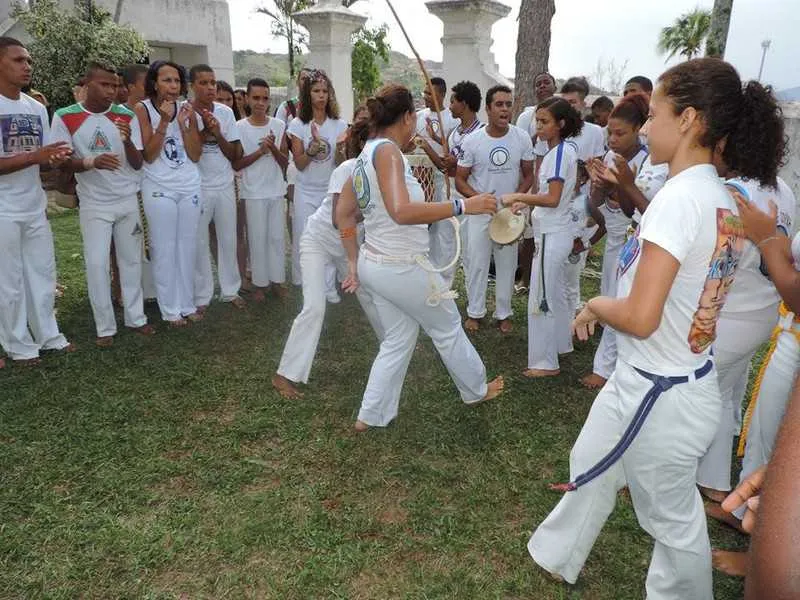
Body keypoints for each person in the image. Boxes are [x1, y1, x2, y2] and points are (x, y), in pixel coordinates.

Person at [528, 57, 781, 599]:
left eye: (656, 112)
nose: (645, 127)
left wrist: (595, 304)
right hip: (666, 380)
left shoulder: (680, 200)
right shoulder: (722, 198)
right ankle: (556, 551)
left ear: (688, 119)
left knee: (671, 518)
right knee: (591, 461)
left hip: (660, 391)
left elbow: (641, 317)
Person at [335, 83, 504, 431]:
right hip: (400, 266)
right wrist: (463, 205)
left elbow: (344, 213)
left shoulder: (365, 153)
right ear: (409, 117)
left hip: (375, 264)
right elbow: (400, 210)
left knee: (398, 338)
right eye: (416, 117)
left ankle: (371, 414)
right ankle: (476, 390)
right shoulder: (387, 153)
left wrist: (354, 261)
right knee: (447, 327)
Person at [709, 173, 798, 578]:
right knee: (762, 429)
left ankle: (765, 556)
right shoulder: (781, 187)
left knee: (780, 445)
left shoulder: (746, 191)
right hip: (780, 326)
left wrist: (766, 240)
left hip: (771, 320)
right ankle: (746, 512)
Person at [272, 108, 383, 399]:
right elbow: (338, 218)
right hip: (318, 241)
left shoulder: (383, 172)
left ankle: (392, 349)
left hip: (348, 245)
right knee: (314, 307)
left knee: (369, 294)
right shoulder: (346, 170)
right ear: (364, 144)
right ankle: (284, 375)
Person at [50, 62, 155, 347]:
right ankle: (105, 328)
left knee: (131, 261)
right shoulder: (66, 116)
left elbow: (137, 162)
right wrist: (91, 161)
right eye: (104, 84)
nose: (112, 91)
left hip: (126, 200)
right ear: (87, 83)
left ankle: (136, 318)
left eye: (115, 85)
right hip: (94, 204)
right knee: (97, 264)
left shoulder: (126, 114)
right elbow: (61, 162)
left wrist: (127, 141)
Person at [0, 37, 74, 365]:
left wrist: (54, 159)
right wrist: (36, 156)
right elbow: (30, 157)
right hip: (3, 209)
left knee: (42, 273)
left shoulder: (36, 108)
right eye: (18, 60)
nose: (27, 66)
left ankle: (48, 335)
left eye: (28, 60)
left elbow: (42, 159)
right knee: (9, 281)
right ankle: (18, 345)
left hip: (33, 204)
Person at [501, 97, 581, 378]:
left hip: (552, 233)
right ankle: (560, 345)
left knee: (543, 296)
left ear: (560, 124)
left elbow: (554, 197)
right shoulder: (558, 152)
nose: (539, 126)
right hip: (554, 231)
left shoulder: (559, 154)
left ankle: (545, 363)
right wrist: (529, 203)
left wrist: (520, 195)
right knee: (555, 294)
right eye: (537, 120)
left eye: (545, 121)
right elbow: (552, 197)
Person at [579, 93, 653, 389]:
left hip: (632, 235)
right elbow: (594, 202)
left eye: (620, 133)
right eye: (609, 132)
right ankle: (609, 362)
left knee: (617, 295)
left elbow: (630, 208)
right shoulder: (610, 156)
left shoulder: (646, 160)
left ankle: (604, 366)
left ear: (638, 130)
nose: (612, 139)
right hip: (614, 237)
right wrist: (596, 182)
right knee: (610, 291)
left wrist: (620, 184)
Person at [456, 85, 534, 334]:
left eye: (508, 104)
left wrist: (516, 199)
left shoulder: (521, 137)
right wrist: (479, 200)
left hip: (508, 214)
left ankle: (504, 313)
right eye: (499, 104)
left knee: (507, 264)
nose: (505, 109)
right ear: (488, 109)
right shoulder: (473, 141)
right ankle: (475, 312)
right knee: (477, 263)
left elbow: (529, 174)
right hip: (480, 213)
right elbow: (460, 179)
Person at [135, 60, 204, 327]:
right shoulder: (142, 109)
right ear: (154, 83)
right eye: (166, 80)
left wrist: (186, 126)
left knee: (187, 248)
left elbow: (196, 155)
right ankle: (170, 308)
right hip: (159, 188)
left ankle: (187, 304)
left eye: (176, 81)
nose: (173, 86)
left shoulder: (188, 110)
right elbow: (149, 156)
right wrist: (164, 122)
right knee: (165, 248)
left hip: (188, 186)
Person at [189, 64, 245, 312]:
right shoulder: (185, 112)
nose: (210, 87)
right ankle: (202, 295)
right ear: (192, 86)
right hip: (197, 186)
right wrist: (203, 132)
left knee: (228, 239)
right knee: (199, 242)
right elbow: (189, 153)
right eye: (204, 83)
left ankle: (230, 290)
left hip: (224, 184)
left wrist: (217, 132)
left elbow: (234, 153)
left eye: (213, 82)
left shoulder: (225, 112)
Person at [287, 69, 347, 295]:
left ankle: (329, 287)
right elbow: (300, 164)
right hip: (305, 190)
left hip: (329, 191)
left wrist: (341, 148)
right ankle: (307, 284)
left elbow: (341, 163)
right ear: (307, 94)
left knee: (329, 236)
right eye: (316, 91)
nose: (321, 95)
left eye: (325, 91)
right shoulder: (297, 125)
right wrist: (311, 150)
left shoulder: (339, 125)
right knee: (305, 237)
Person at [232, 78, 289, 301]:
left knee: (276, 238)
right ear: (246, 98)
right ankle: (259, 283)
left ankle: (277, 280)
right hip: (252, 192)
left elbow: (285, 162)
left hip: (275, 190)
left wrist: (273, 147)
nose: (260, 102)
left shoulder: (279, 125)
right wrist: (260, 152)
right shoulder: (239, 127)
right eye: (256, 97)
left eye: (265, 98)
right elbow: (236, 164)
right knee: (257, 238)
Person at [413, 76, 461, 278]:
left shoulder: (452, 118)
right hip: (420, 179)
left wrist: (433, 138)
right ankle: (426, 271)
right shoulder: (418, 116)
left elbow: (452, 150)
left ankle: (445, 276)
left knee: (444, 228)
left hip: (443, 180)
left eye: (430, 94)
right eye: (424, 93)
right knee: (424, 226)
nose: (426, 97)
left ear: (442, 94)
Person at [515, 72, 558, 291]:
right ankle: (525, 278)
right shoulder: (526, 117)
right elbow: (521, 145)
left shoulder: (561, 113)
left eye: (546, 82)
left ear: (554, 85)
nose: (542, 86)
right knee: (528, 228)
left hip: (551, 175)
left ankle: (544, 277)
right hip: (531, 172)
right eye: (538, 83)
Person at [440, 80, 484, 286]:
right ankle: (443, 288)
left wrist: (456, 163)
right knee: (446, 243)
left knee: (469, 249)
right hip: (449, 194)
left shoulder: (482, 133)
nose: (449, 106)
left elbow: (479, 167)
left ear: (464, 104)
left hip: (469, 197)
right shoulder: (453, 133)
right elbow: (448, 167)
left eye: (452, 101)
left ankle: (472, 293)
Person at [216, 79, 249, 291]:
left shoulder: (238, 125)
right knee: (215, 235)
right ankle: (225, 276)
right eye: (221, 99)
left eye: (229, 99)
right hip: (213, 185)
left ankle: (242, 274)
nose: (226, 103)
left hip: (237, 182)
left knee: (238, 232)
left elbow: (238, 156)